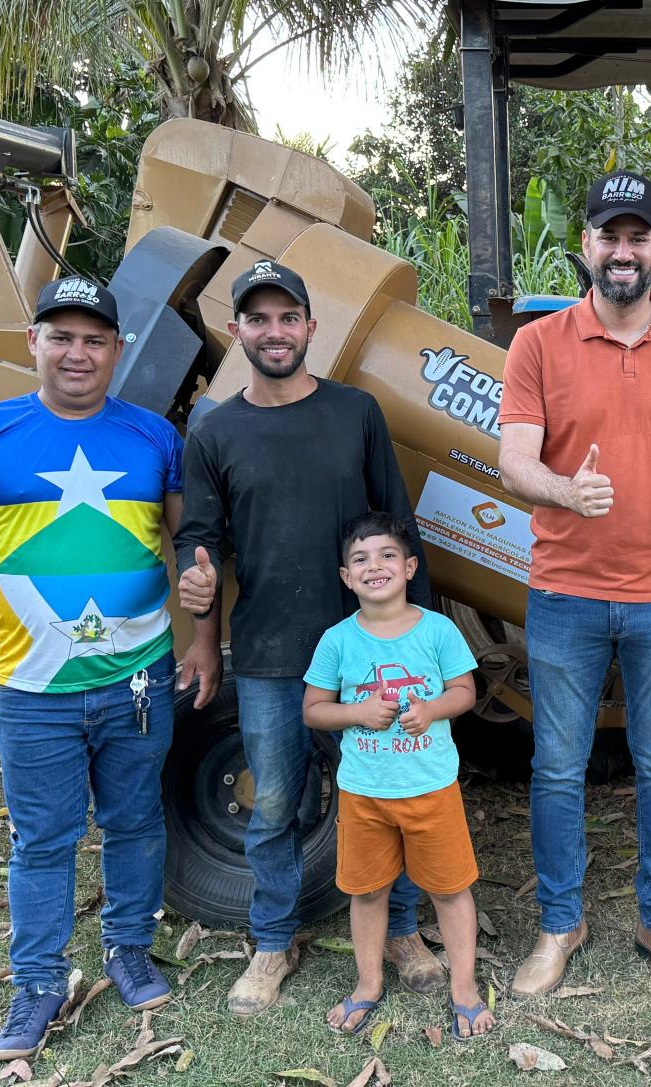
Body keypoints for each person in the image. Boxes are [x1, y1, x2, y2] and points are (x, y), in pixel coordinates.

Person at [0, 277, 189, 1059]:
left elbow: (192, 541)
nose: (78, 352)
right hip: (35, 689)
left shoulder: (153, 438)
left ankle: (129, 948)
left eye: (95, 338)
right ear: (33, 342)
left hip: (138, 676)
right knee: (43, 838)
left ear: (117, 348)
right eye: (61, 336)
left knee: (135, 821)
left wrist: (200, 635)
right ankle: (38, 981)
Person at [497, 170, 651, 997]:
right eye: (610, 235)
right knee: (559, 767)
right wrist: (568, 492)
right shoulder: (540, 344)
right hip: (565, 590)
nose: (624, 251)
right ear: (586, 247)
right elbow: (514, 461)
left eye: (639, 236)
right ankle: (559, 925)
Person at [174, 260, 441, 1017]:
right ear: (238, 331)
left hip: (369, 648)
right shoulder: (215, 429)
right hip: (269, 652)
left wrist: (417, 635)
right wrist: (200, 618)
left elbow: (397, 521)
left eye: (288, 316)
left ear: (310, 327)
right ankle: (272, 940)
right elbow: (200, 541)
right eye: (258, 319)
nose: (275, 331)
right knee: (277, 804)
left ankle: (402, 930)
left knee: (395, 789)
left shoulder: (356, 413)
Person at [303, 512, 494, 1038]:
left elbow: (465, 692)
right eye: (360, 559)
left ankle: (464, 988)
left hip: (431, 789)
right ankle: (367, 984)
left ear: (410, 567)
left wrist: (431, 709)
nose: (374, 566)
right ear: (346, 577)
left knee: (451, 890)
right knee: (366, 892)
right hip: (363, 794)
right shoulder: (337, 640)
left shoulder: (438, 629)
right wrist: (357, 713)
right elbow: (314, 709)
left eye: (388, 555)